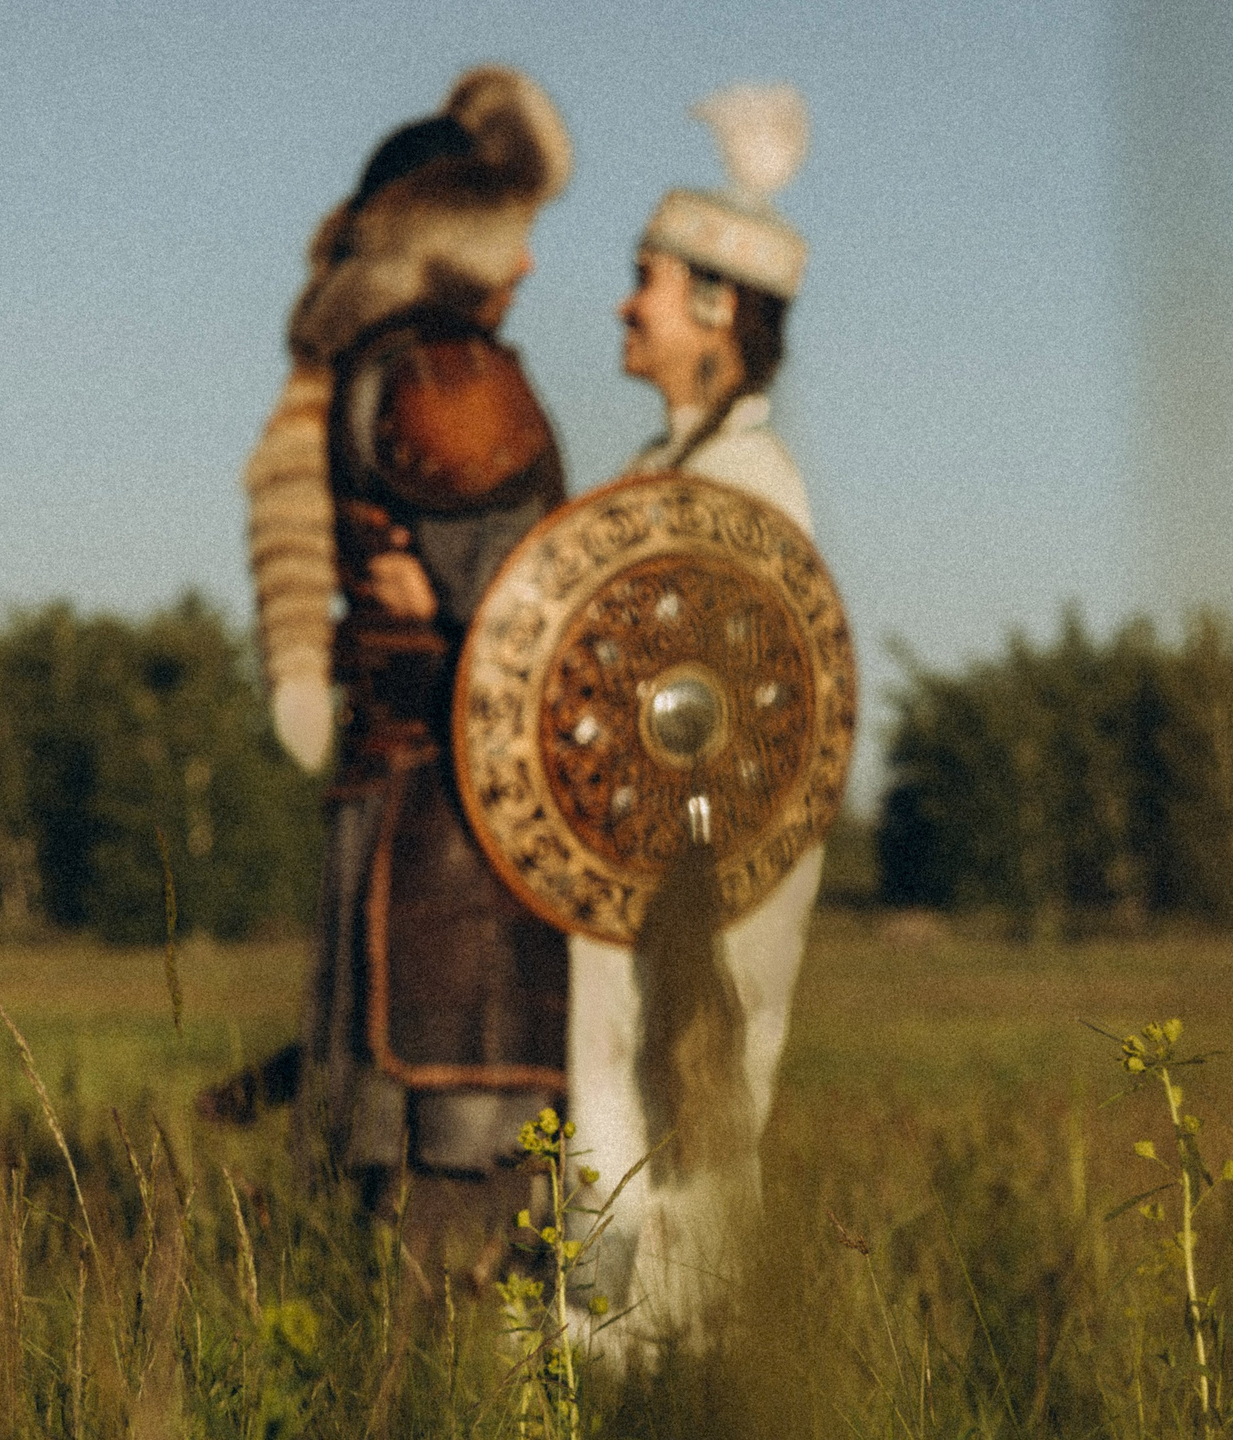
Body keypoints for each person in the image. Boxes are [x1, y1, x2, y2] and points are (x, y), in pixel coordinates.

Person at [236, 66, 576, 1269]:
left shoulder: (364, 368)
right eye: (517, 236)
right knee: (467, 1186)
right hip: (460, 828)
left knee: (390, 1184)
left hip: (395, 805)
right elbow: (528, 623)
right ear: (455, 234)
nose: (530, 265)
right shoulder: (450, 382)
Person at [567, 83, 823, 1357]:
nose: (622, 302)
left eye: (646, 282)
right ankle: (612, 1360)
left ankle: (667, 1376)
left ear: (718, 315)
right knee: (610, 1126)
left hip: (687, 883)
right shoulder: (663, 475)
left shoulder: (743, 486)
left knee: (682, 1136)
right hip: (630, 881)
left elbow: (743, 728)